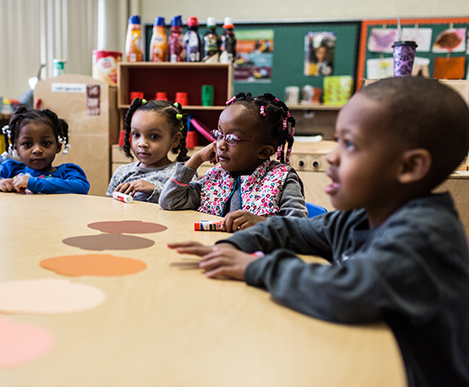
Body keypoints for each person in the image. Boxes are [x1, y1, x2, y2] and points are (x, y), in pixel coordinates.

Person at [169, 77, 469, 387]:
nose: (332, 156)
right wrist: (233, 247)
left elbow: (347, 291)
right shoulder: (356, 219)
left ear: (409, 167)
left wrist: (254, 266)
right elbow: (288, 229)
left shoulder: (425, 236)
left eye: (349, 144)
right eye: (337, 141)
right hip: (365, 360)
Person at [159, 92, 307, 232]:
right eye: (219, 135)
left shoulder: (281, 180)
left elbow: (301, 228)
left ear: (263, 152)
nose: (220, 145)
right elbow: (170, 201)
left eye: (231, 139)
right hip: (213, 249)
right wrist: (197, 158)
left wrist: (263, 223)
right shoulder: (215, 178)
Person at [0, 107, 90, 194]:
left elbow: (81, 187)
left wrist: (33, 183)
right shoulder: (11, 170)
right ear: (16, 148)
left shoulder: (68, 173)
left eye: (46, 143)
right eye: (27, 144)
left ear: (58, 146)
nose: (37, 150)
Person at [106, 98, 192, 203]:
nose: (142, 143)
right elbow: (108, 205)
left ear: (175, 139)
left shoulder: (182, 174)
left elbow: (188, 202)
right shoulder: (122, 172)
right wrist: (114, 198)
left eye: (154, 136)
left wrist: (155, 189)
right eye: (136, 134)